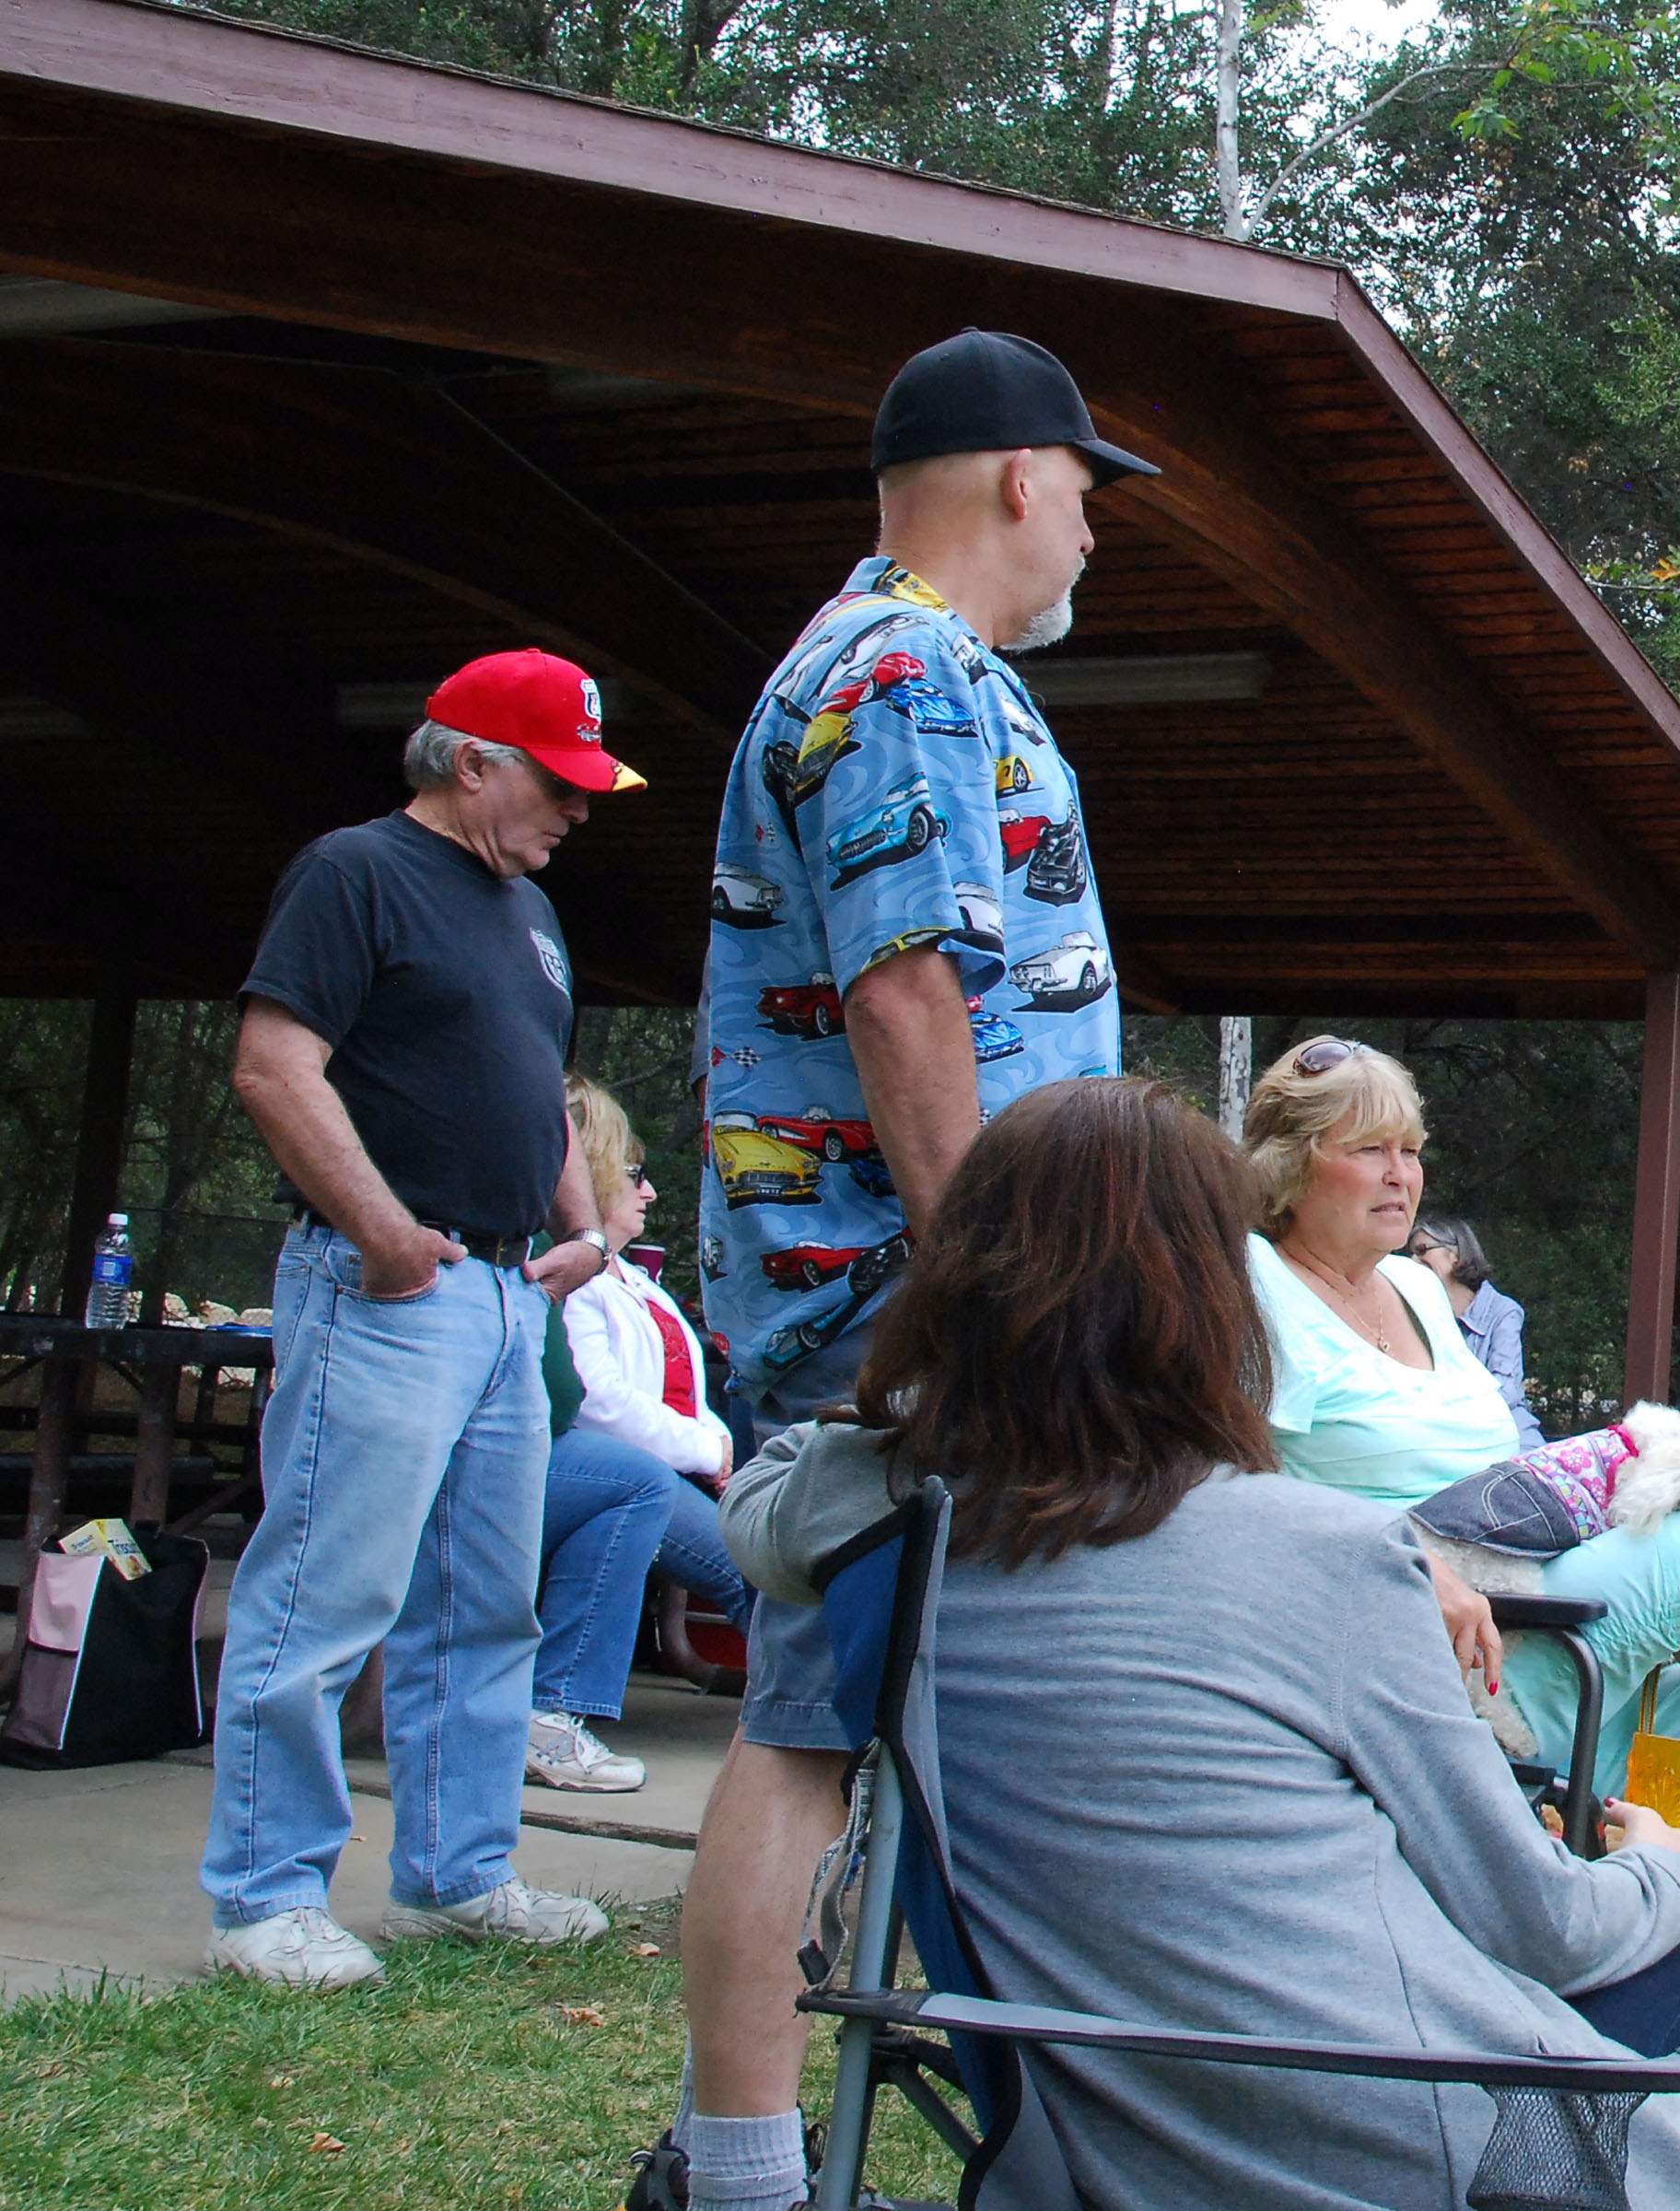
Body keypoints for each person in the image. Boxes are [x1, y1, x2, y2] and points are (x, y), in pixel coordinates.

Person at [718, 1078, 1680, 2209]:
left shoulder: (875, 1512)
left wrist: (967, 1386)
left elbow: (764, 1501)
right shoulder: (1331, 1555)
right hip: (1425, 2147)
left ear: (955, 1279)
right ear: (1217, 1298)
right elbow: (1546, 1928)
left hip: (1087, 2153)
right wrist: (1666, 1868)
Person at [659, 328, 1161, 2211]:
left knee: (882, 1732)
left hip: (914, 1305)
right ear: (1022, 473)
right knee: (811, 1732)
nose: (1097, 535)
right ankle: (746, 2175)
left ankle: (919, 2134)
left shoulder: (892, 667)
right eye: (1092, 491)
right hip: (910, 1314)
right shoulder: (903, 671)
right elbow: (904, 987)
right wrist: (995, 1296)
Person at [1245, 1036, 1680, 2018]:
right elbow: (1238, 1493)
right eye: (1368, 1149)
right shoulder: (1257, 1293)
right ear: (1288, 1165)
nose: (1401, 1175)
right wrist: (1403, 1556)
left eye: (1411, 1150)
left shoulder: (1417, 1286)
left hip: (1547, 1605)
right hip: (1428, 1653)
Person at [203, 648, 638, 1989]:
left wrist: (581, 1226)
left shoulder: (530, 913)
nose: (578, 811)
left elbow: (543, 1084)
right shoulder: (356, 873)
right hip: (390, 1287)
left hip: (510, 1298)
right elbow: (276, 1065)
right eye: (557, 785)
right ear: (472, 763)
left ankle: (459, 1877)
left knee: (480, 1604)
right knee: (326, 1593)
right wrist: (387, 1236)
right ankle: (267, 1897)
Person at [526, 1073, 750, 1794]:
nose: (649, 1192)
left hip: (661, 1471)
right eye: (633, 1174)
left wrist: (721, 1450)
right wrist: (704, 1451)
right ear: (591, 1170)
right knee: (757, 1565)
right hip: (612, 1466)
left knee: (760, 1538)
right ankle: (818, 1716)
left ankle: (551, 1711)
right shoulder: (571, 1270)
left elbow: (691, 1386)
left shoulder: (637, 1282)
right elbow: (593, 1403)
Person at [1406, 1211, 1544, 1445]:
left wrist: (1450, 1415)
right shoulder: (1418, 1315)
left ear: (1456, 1254)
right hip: (1444, 1439)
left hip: (1508, 1437)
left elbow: (1506, 1391)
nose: (1413, 1261)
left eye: (1422, 1251)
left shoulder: (1503, 1311)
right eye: (1410, 1254)